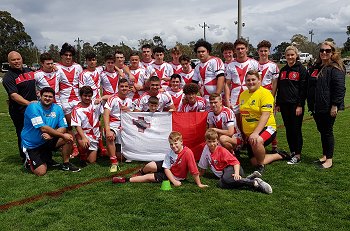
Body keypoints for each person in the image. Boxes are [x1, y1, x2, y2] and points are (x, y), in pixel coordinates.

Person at [112, 131, 208, 188]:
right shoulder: (170, 152)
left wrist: (199, 184)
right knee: (150, 165)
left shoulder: (187, 153)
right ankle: (141, 172)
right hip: (169, 168)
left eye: (176, 143)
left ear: (181, 142)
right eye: (171, 144)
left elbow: (194, 170)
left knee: (149, 177)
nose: (173, 146)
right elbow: (166, 167)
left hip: (174, 175)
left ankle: (126, 180)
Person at [21, 87, 80, 175]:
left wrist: (52, 136)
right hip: (32, 145)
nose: (47, 98)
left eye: (50, 97)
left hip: (47, 140)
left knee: (68, 137)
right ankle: (28, 162)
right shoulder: (33, 107)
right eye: (45, 96)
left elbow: (63, 127)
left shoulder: (57, 108)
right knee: (41, 172)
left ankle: (66, 164)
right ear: (40, 96)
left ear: (54, 98)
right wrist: (61, 135)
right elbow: (43, 128)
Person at [239, 70, 288, 174]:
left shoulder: (265, 94)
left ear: (259, 80)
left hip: (267, 128)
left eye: (253, 79)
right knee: (253, 162)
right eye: (248, 80)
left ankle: (261, 166)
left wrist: (256, 133)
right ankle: (279, 155)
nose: (250, 82)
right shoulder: (243, 95)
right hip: (250, 134)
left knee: (257, 141)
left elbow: (265, 115)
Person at [307, 41, 346, 169]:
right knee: (322, 131)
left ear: (332, 53)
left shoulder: (335, 68)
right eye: (322, 50)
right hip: (316, 106)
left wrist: (335, 105)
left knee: (327, 132)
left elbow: (340, 88)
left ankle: (329, 160)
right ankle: (324, 155)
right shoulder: (316, 66)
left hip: (328, 106)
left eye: (327, 51)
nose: (324, 52)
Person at [198, 129, 272, 194]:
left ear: (217, 141)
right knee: (221, 184)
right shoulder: (206, 149)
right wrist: (199, 175)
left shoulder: (222, 150)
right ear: (206, 142)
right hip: (225, 174)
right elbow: (203, 165)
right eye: (209, 141)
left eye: (214, 141)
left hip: (233, 168)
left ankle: (253, 182)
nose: (211, 144)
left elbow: (235, 162)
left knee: (226, 179)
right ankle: (249, 178)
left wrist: (236, 173)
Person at [2, 51, 37, 162]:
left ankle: (38, 154)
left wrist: (53, 67)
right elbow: (14, 95)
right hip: (19, 111)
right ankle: (25, 157)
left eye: (18, 59)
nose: (16, 61)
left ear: (22, 59)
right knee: (23, 133)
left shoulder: (29, 71)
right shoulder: (8, 77)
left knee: (37, 130)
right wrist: (28, 103)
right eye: (13, 60)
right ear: (9, 62)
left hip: (34, 109)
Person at [275, 46, 308, 164]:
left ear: (296, 55)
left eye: (292, 55)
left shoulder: (301, 69)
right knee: (288, 129)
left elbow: (303, 89)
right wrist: (278, 103)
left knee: (296, 129)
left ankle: (298, 155)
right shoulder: (283, 70)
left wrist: (300, 105)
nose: (290, 57)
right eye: (288, 55)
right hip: (284, 105)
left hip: (295, 105)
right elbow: (280, 88)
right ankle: (292, 151)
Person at [225, 38, 259, 133]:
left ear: (247, 49)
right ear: (235, 50)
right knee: (236, 121)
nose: (240, 51)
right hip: (235, 97)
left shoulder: (254, 63)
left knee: (251, 119)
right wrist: (228, 101)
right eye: (238, 49)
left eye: (242, 48)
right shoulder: (230, 65)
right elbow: (227, 84)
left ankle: (250, 140)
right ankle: (241, 141)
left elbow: (258, 82)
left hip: (251, 96)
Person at [104, 79, 133, 172]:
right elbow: (106, 114)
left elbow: (135, 114)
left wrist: (129, 110)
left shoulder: (129, 100)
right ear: (118, 87)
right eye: (122, 86)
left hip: (126, 126)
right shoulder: (112, 98)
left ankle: (109, 152)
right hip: (114, 125)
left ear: (129, 88)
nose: (124, 88)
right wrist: (108, 129)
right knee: (110, 136)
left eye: (126, 86)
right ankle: (114, 162)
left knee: (124, 157)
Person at [71, 86, 104, 166]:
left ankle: (96, 149)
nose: (87, 98)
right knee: (83, 142)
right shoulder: (76, 109)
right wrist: (83, 137)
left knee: (91, 161)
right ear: (81, 96)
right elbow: (77, 126)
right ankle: (82, 156)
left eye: (89, 96)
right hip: (84, 133)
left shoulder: (96, 104)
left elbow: (112, 97)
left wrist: (101, 98)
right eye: (85, 96)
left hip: (95, 135)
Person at [257, 40, 280, 152]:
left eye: (265, 51)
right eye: (261, 51)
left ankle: (274, 145)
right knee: (257, 120)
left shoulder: (273, 66)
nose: (263, 53)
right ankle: (258, 142)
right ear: (258, 52)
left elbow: (275, 82)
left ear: (269, 52)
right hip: (257, 97)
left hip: (268, 96)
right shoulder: (254, 64)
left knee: (270, 121)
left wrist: (272, 97)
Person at [192, 40, 225, 108]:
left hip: (216, 98)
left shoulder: (215, 61)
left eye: (203, 51)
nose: (201, 54)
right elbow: (194, 83)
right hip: (205, 99)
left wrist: (217, 95)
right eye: (199, 52)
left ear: (208, 51)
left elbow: (221, 77)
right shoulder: (197, 67)